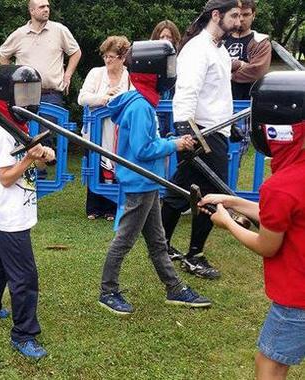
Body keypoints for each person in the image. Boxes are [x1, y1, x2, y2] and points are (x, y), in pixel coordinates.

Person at [199, 71, 305, 380]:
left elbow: (267, 244)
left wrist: (227, 224)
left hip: (296, 297)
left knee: (269, 364)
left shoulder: (281, 186)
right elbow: (282, 217)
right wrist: (232, 202)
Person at [97, 40, 212, 316]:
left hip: (147, 183)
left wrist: (172, 140)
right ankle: (107, 291)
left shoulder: (144, 103)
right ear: (153, 72)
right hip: (139, 183)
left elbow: (149, 141)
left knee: (158, 242)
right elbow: (142, 150)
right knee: (124, 240)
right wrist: (174, 146)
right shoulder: (139, 107)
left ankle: (174, 288)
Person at [0, 64, 55, 359]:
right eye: (22, 92)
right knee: (24, 277)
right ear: (6, 94)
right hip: (11, 217)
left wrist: (44, 155)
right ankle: (24, 334)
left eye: (31, 92)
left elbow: (38, 162)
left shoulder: (18, 126)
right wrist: (31, 159)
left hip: (14, 212)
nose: (28, 99)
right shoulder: (2, 134)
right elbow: (6, 177)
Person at [160, 0, 242, 278]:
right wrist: (186, 130)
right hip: (200, 133)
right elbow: (186, 91)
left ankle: (163, 247)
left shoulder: (219, 50)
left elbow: (216, 94)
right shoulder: (197, 48)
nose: (239, 22)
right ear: (216, 15)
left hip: (215, 130)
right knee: (207, 194)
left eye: (241, 16)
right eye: (233, 16)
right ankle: (193, 256)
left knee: (181, 190)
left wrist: (230, 127)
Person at [77, 35, 131, 221]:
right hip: (95, 129)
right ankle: (94, 207)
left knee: (116, 163)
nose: (107, 60)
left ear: (122, 58)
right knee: (95, 163)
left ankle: (112, 208)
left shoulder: (129, 78)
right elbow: (82, 98)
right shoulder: (96, 73)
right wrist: (104, 97)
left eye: (112, 57)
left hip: (118, 130)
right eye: (105, 56)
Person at [0, 0, 81, 107]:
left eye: (47, 7)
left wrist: (67, 75)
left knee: (49, 124)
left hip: (51, 95)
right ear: (32, 11)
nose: (46, 9)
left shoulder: (59, 30)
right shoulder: (20, 34)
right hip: (24, 95)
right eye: (42, 7)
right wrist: (11, 77)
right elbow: (3, 54)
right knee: (25, 124)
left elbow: (76, 52)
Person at [223, 0, 271, 100]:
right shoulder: (220, 40)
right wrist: (240, 64)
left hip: (247, 103)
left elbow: (257, 71)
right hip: (220, 102)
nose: (241, 19)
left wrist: (223, 73)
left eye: (246, 14)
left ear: (253, 15)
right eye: (237, 15)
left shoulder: (260, 42)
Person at [150, 20, 183, 137]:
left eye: (168, 36)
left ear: (174, 39)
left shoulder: (181, 57)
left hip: (174, 104)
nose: (165, 39)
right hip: (155, 103)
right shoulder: (149, 59)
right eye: (162, 36)